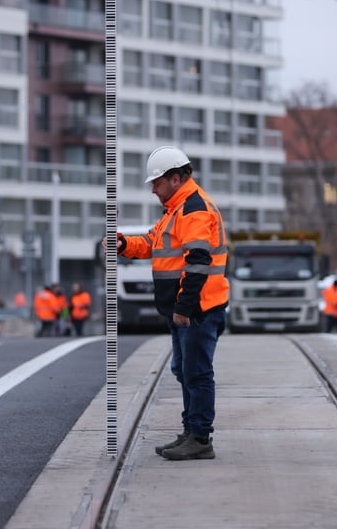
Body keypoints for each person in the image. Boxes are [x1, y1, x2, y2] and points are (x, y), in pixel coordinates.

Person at [105, 145, 228, 461]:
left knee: (196, 372)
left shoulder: (193, 210)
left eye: (156, 184)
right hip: (186, 309)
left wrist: (185, 307)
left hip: (197, 309)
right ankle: (192, 432)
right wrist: (122, 244)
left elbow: (198, 261)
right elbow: (149, 243)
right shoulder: (177, 209)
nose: (154, 191)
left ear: (175, 179)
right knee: (185, 370)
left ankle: (200, 437)